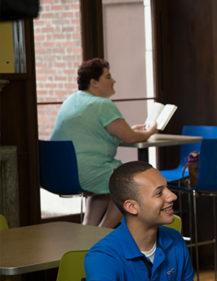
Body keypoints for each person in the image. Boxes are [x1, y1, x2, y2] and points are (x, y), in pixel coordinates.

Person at [84, 161, 217, 281]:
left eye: (167, 188)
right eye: (159, 193)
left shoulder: (174, 240)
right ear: (132, 207)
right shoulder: (101, 255)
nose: (172, 196)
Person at [50, 58, 157, 228]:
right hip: (85, 172)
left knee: (104, 186)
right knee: (127, 184)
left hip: (58, 172)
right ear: (94, 82)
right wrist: (150, 131)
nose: (113, 80)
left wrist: (132, 130)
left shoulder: (72, 100)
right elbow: (129, 137)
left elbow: (116, 131)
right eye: (108, 77)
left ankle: (89, 228)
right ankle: (103, 231)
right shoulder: (102, 104)